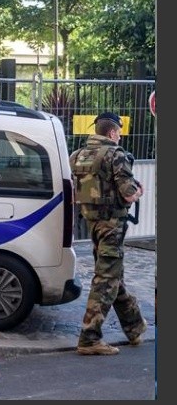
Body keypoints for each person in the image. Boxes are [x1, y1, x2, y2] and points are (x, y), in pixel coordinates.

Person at [69, 111, 147, 355]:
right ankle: (89, 337)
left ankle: (134, 327)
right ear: (113, 132)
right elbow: (127, 192)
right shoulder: (116, 155)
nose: (121, 137)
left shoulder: (77, 155)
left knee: (112, 274)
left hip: (92, 224)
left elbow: (74, 192)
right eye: (120, 133)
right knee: (106, 279)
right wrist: (139, 191)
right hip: (112, 225)